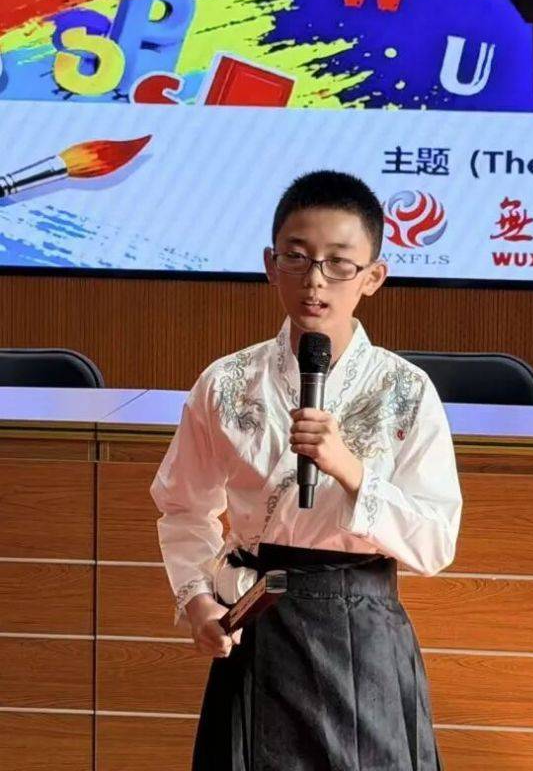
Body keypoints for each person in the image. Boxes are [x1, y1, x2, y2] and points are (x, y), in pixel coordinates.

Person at [150, 169, 463, 771]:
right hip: (257, 617)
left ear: (373, 276)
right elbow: (184, 508)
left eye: (339, 263)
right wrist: (197, 601)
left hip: (363, 626)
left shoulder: (405, 390)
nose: (315, 280)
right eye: (296, 257)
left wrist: (352, 471)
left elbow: (436, 543)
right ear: (271, 265)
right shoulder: (226, 383)